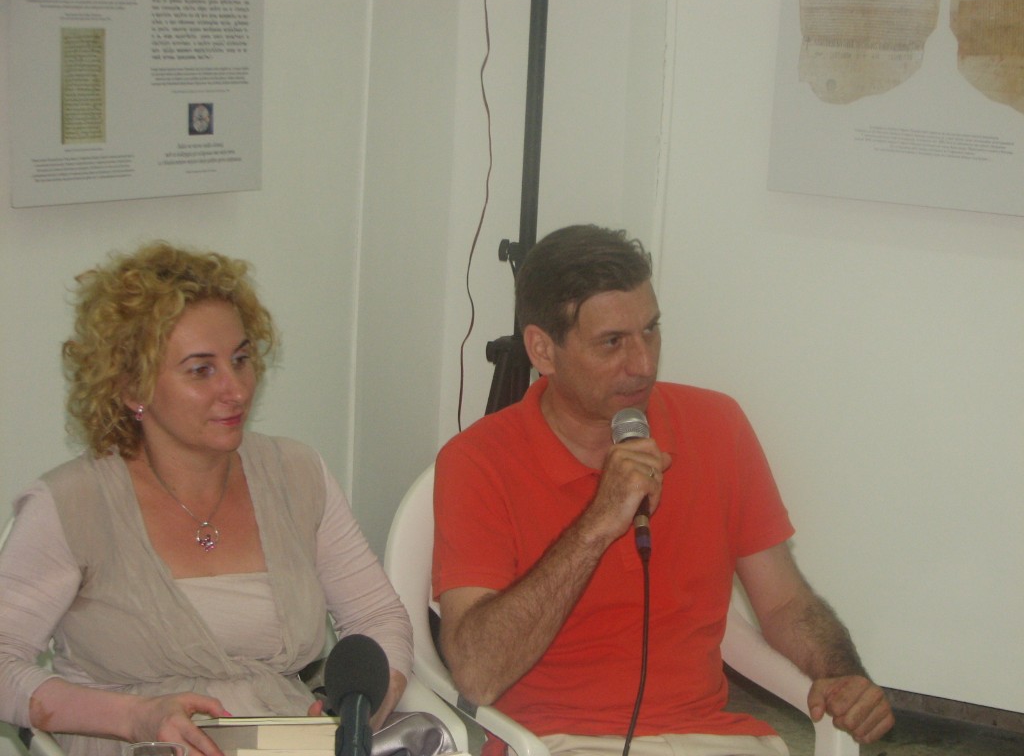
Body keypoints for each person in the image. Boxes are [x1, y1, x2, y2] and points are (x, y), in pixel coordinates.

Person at [432, 225, 894, 756]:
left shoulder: (717, 425)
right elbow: (477, 674)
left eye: (650, 330)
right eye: (612, 343)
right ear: (543, 349)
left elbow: (786, 602)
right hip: (557, 741)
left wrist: (842, 674)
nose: (644, 364)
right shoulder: (478, 461)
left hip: (712, 738)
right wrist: (597, 523)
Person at [0, 242, 413, 756]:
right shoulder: (72, 503)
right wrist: (133, 718)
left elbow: (377, 619)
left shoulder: (296, 474)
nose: (235, 390)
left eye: (241, 360)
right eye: (201, 370)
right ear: (132, 389)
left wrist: (356, 714)